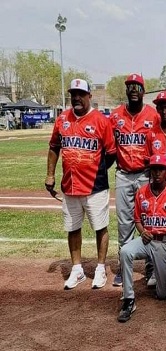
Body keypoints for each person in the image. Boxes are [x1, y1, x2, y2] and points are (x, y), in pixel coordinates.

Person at [45, 78, 116, 290]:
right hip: (70, 185)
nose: (76, 98)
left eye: (80, 94)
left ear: (89, 97)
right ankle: (77, 270)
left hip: (95, 186)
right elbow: (54, 147)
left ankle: (101, 268)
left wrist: (96, 170)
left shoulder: (101, 121)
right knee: (73, 227)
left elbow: (111, 153)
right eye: (73, 94)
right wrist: (50, 174)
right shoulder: (62, 119)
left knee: (100, 227)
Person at [117, 154, 166, 322]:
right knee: (125, 251)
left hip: (164, 243)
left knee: (163, 294)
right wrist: (141, 231)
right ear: (150, 172)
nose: (157, 173)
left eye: (160, 169)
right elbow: (137, 219)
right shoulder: (141, 193)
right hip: (146, 241)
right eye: (154, 169)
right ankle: (129, 299)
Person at [110, 73, 160, 287]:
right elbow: (110, 147)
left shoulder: (153, 115)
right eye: (129, 86)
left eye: (137, 86)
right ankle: (124, 267)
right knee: (124, 223)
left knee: (148, 219)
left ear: (143, 90)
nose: (133, 89)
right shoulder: (115, 116)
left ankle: (150, 266)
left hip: (144, 174)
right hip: (123, 173)